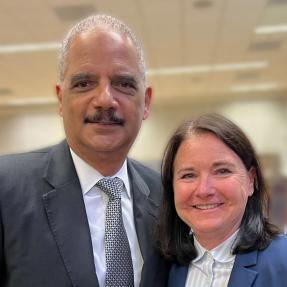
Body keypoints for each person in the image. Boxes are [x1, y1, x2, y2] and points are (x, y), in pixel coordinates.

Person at [0, 14, 169, 287]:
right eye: (84, 84)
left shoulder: (167, 198)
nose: (105, 99)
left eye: (124, 83)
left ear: (146, 102)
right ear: (60, 99)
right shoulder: (7, 189)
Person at [157, 113, 287, 287]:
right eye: (188, 175)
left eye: (222, 171)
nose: (204, 190)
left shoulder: (282, 261)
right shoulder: (164, 267)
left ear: (250, 180)